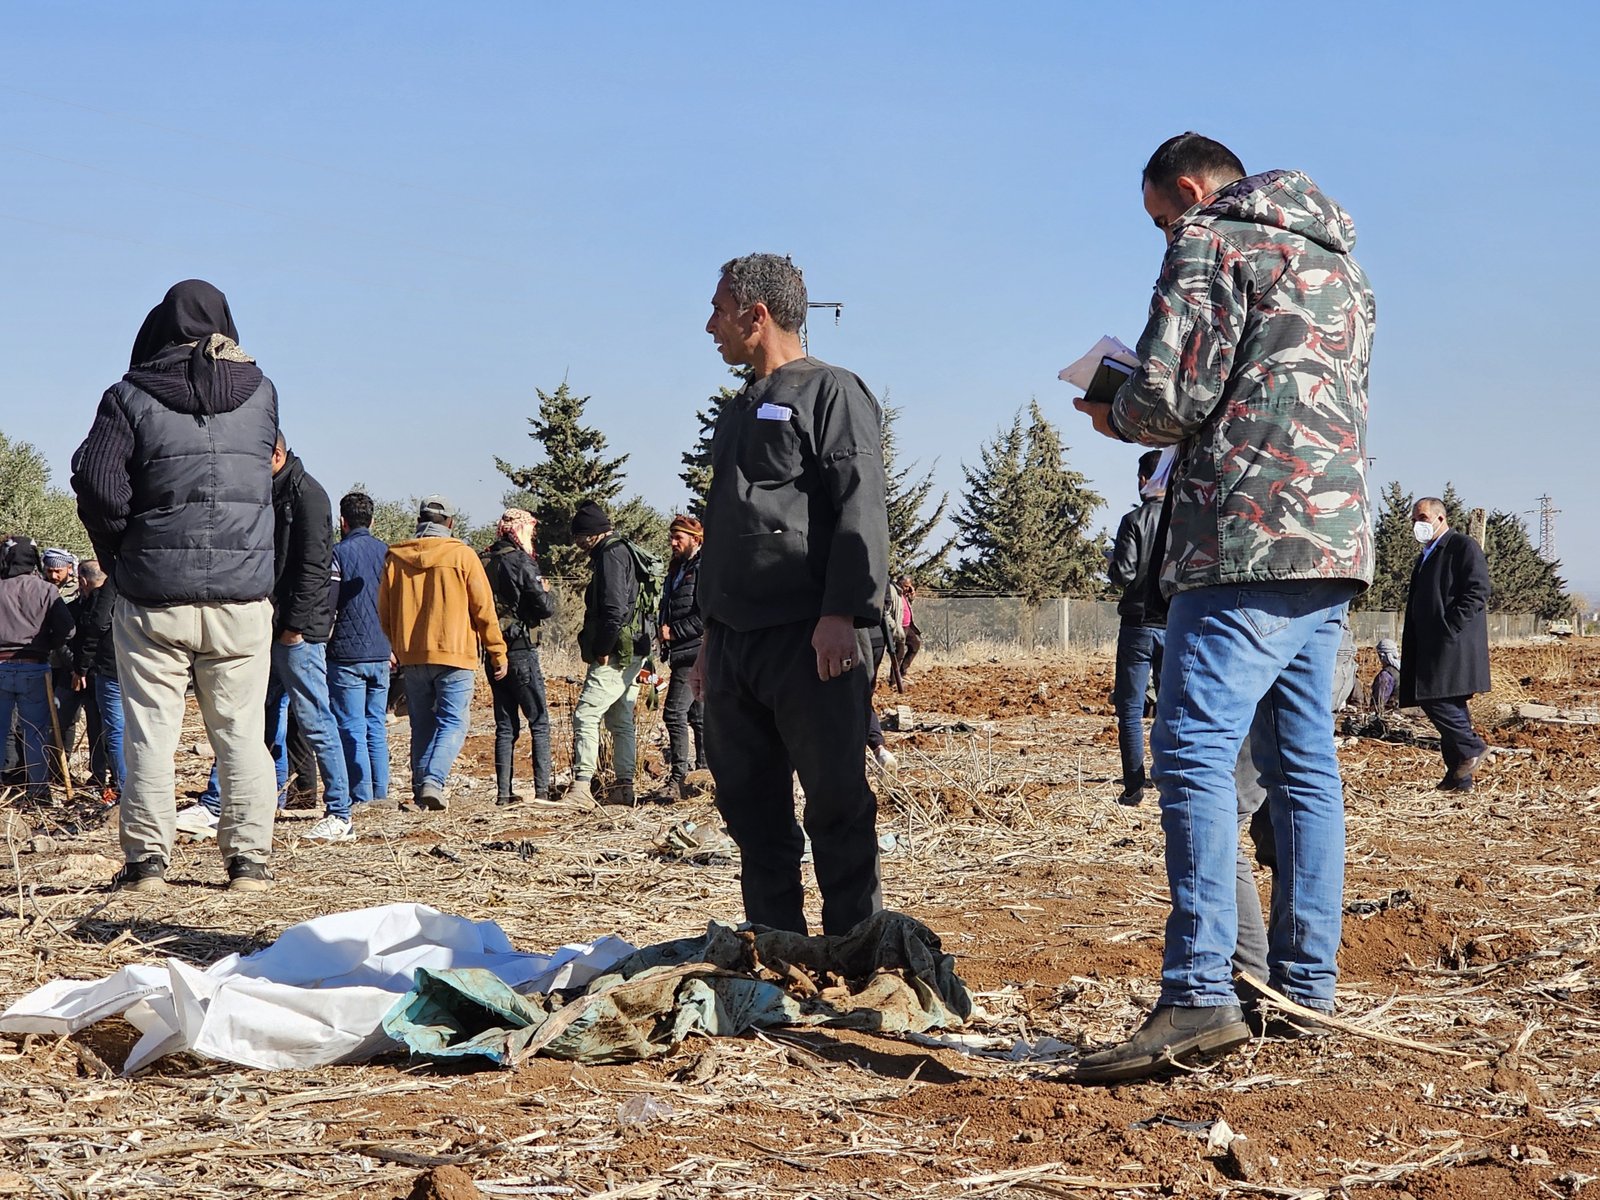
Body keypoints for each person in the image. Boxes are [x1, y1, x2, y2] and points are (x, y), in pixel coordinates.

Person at [1069, 134, 1375, 1081]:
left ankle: (1200, 992)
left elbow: (1174, 395)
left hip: (1242, 534)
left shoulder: (1210, 236)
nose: (1165, 230)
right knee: (1304, 763)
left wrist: (1111, 410)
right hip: (1333, 541)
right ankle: (1302, 990)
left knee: (1193, 753)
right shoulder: (1342, 267)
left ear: (1192, 190)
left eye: (1161, 214)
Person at [698, 252, 891, 936]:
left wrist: (843, 612)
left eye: (720, 310)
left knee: (837, 805)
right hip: (734, 647)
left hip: (811, 637)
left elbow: (859, 505)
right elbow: (726, 529)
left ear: (756, 315)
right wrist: (707, 645)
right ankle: (779, 954)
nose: (710, 325)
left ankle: (853, 955)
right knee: (753, 815)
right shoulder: (737, 412)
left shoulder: (832, 392)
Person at [72, 279, 280, 893]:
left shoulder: (128, 395)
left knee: (150, 731)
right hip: (243, 597)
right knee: (242, 731)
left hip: (152, 596)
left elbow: (99, 484)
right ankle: (248, 862)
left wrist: (119, 551)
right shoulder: (262, 392)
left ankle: (148, 864)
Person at [178, 435, 354, 844]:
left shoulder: (308, 496)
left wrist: (293, 627)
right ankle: (219, 804)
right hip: (265, 626)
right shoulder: (270, 492)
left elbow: (314, 567)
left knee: (314, 719)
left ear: (276, 455)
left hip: (296, 635)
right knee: (246, 714)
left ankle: (341, 813)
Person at [379, 495, 507, 810]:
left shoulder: (395, 558)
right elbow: (483, 609)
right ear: (449, 522)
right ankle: (433, 781)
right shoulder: (462, 556)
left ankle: (421, 791)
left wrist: (396, 644)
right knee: (454, 721)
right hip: (455, 653)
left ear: (419, 521)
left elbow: (384, 610)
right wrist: (497, 651)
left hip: (413, 657)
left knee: (421, 724)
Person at [1400, 497, 1491, 791]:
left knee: (1434, 697)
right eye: (1414, 519)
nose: (1417, 525)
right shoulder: (1425, 554)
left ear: (1440, 519)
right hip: (1429, 642)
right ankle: (1458, 777)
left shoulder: (1461, 546)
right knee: (1450, 701)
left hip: (1451, 642)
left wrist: (1451, 626)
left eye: (1423, 518)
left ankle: (1471, 747)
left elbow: (1478, 590)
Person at [568, 501, 650, 807]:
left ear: (591, 534)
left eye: (578, 536)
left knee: (586, 714)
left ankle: (581, 787)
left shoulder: (611, 555)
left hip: (616, 653)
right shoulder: (619, 551)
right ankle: (623, 788)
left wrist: (602, 648)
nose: (576, 543)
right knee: (620, 719)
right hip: (631, 649)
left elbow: (614, 610)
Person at [480, 507, 555, 805]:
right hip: (521, 648)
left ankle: (503, 795)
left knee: (505, 725)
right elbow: (545, 607)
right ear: (522, 529)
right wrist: (546, 590)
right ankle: (541, 793)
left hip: (492, 651)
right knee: (539, 721)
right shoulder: (523, 561)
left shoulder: (482, 560)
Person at [1108, 450, 1168, 806]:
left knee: (1130, 711)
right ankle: (1166, 777)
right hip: (1173, 626)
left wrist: (1114, 563)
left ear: (1144, 479)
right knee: (1170, 707)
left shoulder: (1133, 520)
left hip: (1136, 625)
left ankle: (1133, 787)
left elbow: (1125, 573)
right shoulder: (1183, 519)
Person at [327, 491, 393, 808]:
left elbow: (330, 603)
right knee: (375, 726)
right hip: (382, 652)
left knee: (351, 725)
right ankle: (381, 795)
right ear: (373, 520)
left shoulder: (337, 554)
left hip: (346, 654)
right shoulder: (387, 554)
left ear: (342, 521)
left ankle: (361, 797)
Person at [0, 541, 74, 802]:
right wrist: (47, 643)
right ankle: (38, 792)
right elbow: (69, 629)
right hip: (35, 667)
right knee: (35, 730)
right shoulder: (46, 590)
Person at [658, 514, 708, 798]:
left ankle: (678, 780)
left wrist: (673, 632)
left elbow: (705, 615)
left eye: (678, 538)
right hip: (681, 652)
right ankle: (703, 776)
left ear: (695, 540)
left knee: (673, 713)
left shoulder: (703, 569)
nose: (672, 542)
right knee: (696, 716)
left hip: (694, 652)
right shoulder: (677, 569)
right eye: (671, 537)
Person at [72, 560, 123, 803]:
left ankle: (121, 785)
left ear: (83, 581)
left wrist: (80, 667)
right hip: (138, 668)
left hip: (109, 669)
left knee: (113, 729)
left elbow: (96, 627)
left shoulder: (103, 595)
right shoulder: (132, 586)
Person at [895, 576, 923, 677]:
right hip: (899, 626)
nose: (907, 588)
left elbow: (909, 603)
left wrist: (911, 595)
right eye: (906, 586)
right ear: (899, 583)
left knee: (915, 644)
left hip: (908, 625)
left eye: (909, 586)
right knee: (899, 653)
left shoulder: (905, 595)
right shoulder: (895, 593)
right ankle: (894, 679)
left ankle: (903, 671)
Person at [1370, 638, 1401, 713]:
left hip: (1391, 715)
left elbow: (1379, 703)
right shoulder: (1403, 670)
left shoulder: (1385, 675)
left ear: (1381, 656)